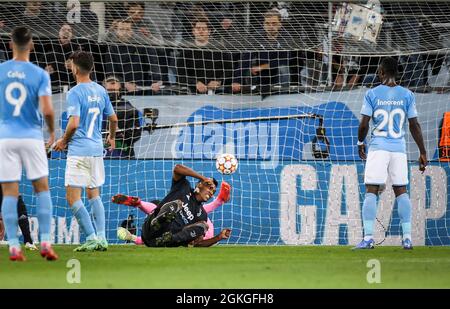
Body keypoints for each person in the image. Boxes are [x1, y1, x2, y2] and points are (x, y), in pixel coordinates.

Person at [355, 57, 427, 250]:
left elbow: (364, 124)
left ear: (381, 72)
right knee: (401, 191)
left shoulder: (372, 94)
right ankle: (408, 239)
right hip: (399, 149)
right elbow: (414, 125)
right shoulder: (407, 95)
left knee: (371, 190)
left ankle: (369, 238)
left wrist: (360, 142)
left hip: (378, 147)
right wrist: (422, 152)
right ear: (399, 73)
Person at [0, 26, 57, 261]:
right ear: (31, 44)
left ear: (11, 44)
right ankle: (44, 242)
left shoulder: (1, 71)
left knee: (9, 192)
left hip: (6, 137)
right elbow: (47, 110)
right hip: (31, 136)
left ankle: (14, 244)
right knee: (41, 189)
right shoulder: (39, 74)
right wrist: (52, 132)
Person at [54, 51, 118, 252]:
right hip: (97, 149)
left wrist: (63, 141)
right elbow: (113, 119)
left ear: (74, 67)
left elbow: (74, 123)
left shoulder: (74, 92)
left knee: (73, 197)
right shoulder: (100, 90)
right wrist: (112, 137)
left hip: (79, 150)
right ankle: (102, 238)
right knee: (94, 194)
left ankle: (91, 237)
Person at [113, 164, 227, 247]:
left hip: (160, 242)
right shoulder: (183, 186)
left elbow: (198, 244)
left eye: (213, 192)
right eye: (209, 187)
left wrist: (219, 237)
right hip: (150, 229)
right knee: (176, 204)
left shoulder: (201, 215)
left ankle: (168, 238)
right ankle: (157, 222)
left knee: (204, 226)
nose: (211, 192)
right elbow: (177, 168)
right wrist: (202, 177)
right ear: (200, 185)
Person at [102, 75, 142, 159]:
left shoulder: (129, 109)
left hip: (122, 153)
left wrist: (121, 133)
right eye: (108, 91)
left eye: (114, 90)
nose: (111, 93)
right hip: (99, 151)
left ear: (120, 91)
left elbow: (136, 135)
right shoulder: (96, 107)